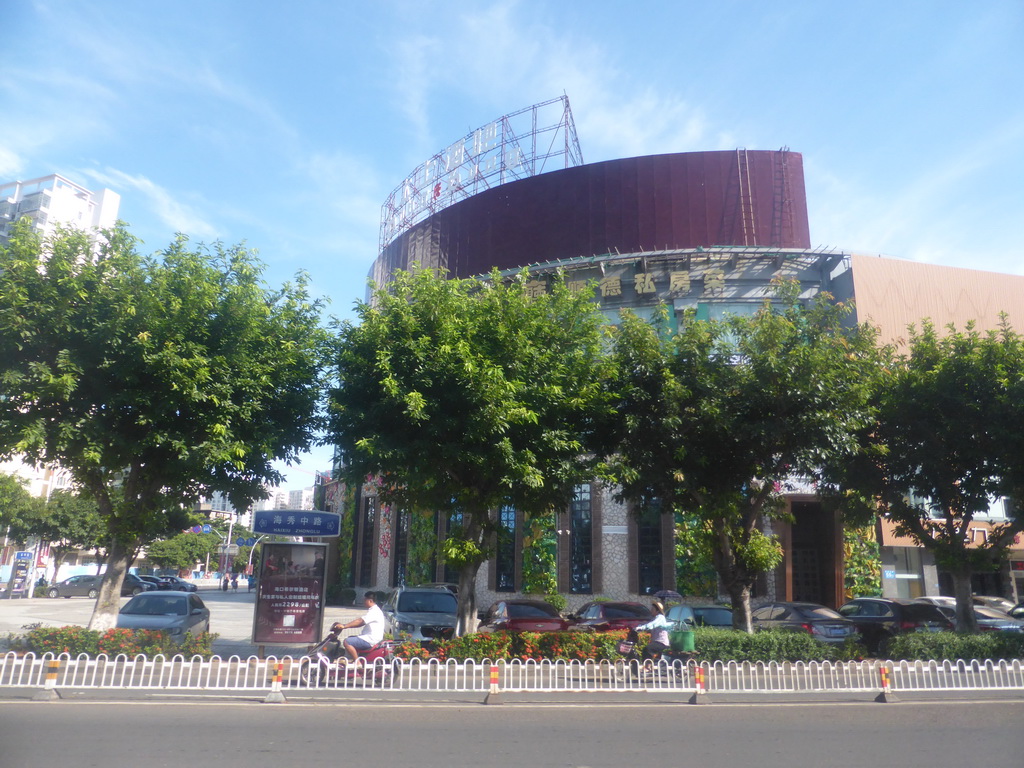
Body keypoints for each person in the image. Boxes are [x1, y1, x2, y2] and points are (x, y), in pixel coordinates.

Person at [332, 591, 385, 665]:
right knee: (351, 637)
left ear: (370, 601)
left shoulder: (374, 612)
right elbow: (360, 623)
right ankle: (350, 659)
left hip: (370, 639)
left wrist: (345, 626)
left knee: (347, 642)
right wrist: (345, 625)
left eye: (364, 600)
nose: (363, 602)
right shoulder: (375, 610)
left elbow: (360, 621)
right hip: (370, 638)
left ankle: (357, 662)